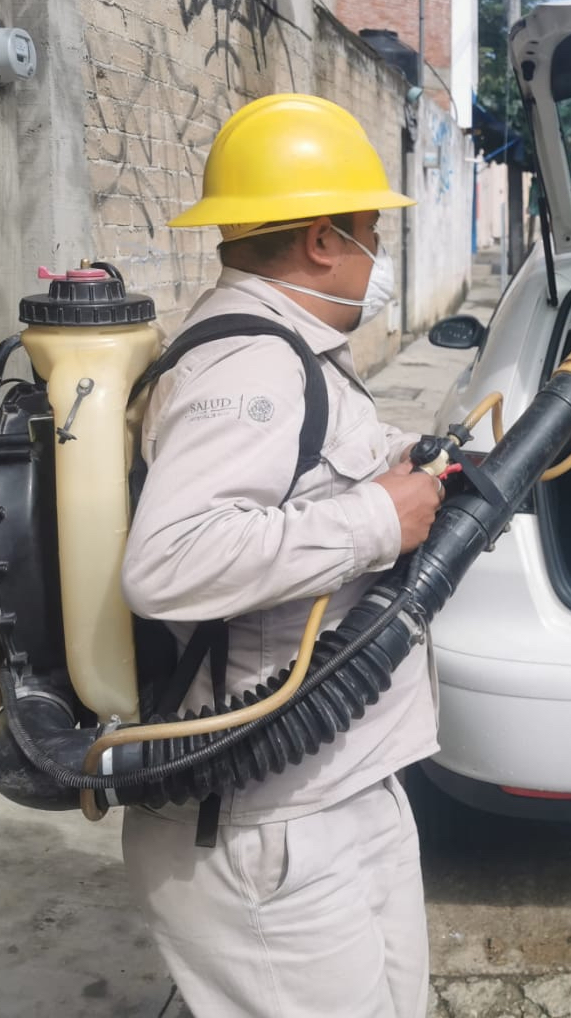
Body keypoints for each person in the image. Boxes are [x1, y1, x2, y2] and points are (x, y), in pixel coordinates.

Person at [119, 93, 443, 1018]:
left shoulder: (298, 349)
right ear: (322, 241)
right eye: (372, 233)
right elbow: (169, 560)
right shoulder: (252, 367)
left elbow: (301, 473)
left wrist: (399, 463)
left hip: (337, 783)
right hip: (262, 820)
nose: (379, 256)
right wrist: (377, 519)